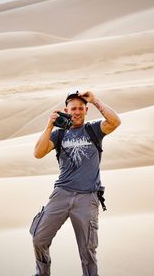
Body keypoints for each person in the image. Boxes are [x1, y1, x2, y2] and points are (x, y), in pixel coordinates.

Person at [30, 90, 121, 276]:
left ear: (86, 110)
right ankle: (42, 273)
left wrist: (95, 100)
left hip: (87, 197)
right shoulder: (59, 135)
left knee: (87, 250)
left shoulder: (93, 129)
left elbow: (115, 122)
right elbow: (38, 153)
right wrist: (49, 126)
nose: (77, 112)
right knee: (39, 238)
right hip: (61, 193)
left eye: (81, 108)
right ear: (66, 110)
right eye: (73, 108)